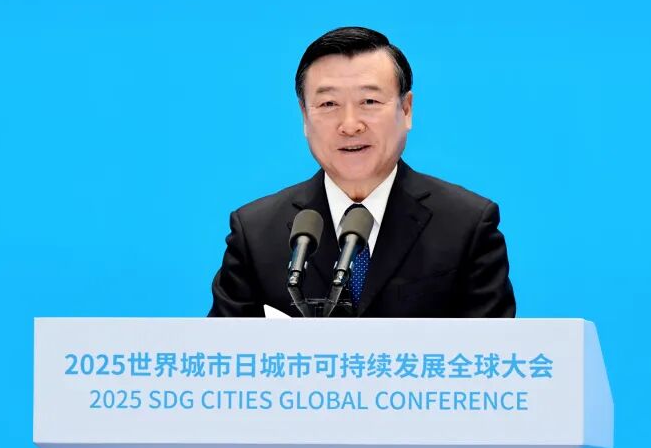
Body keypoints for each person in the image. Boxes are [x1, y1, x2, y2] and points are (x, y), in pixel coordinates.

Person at [208, 27, 515, 318]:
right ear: (304, 115)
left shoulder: (467, 226)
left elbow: (492, 350)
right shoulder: (256, 233)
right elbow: (221, 350)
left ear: (406, 109)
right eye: (328, 103)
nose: (350, 125)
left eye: (369, 101)